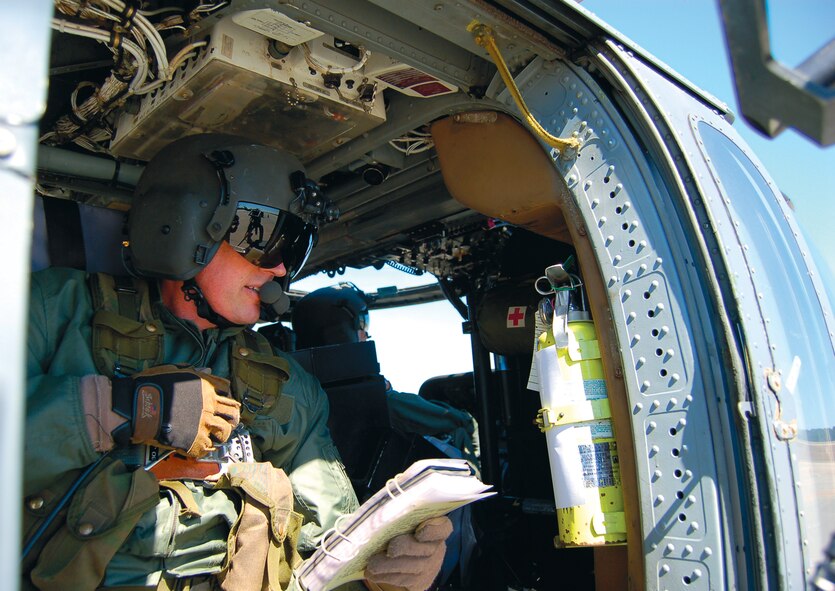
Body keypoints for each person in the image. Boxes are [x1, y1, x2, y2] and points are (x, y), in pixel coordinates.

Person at [23, 134, 452, 591]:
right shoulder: (53, 310)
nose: (281, 270)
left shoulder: (290, 388)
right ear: (184, 224)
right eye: (265, 240)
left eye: (294, 249)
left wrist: (382, 574)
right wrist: (125, 408)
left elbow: (327, 548)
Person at [291, 284, 479, 470]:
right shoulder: (375, 399)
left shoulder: (297, 393)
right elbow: (456, 422)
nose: (366, 333)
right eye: (362, 324)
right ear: (341, 332)